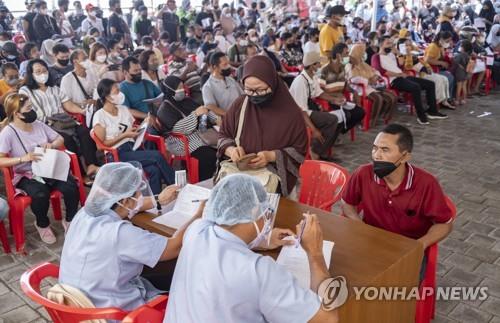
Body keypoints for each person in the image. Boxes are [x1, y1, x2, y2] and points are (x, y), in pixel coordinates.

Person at [165, 174, 339, 323]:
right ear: (256, 213)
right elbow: (328, 318)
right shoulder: (260, 271)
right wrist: (315, 252)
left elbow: (228, 237)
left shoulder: (196, 230)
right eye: (266, 211)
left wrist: (263, 240)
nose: (267, 218)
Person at [59, 162, 201, 310]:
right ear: (124, 200)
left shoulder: (84, 214)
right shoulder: (119, 233)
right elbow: (174, 247)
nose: (140, 195)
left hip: (79, 302)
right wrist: (199, 215)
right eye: (138, 192)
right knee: (184, 278)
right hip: (112, 311)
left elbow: (128, 205)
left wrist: (158, 200)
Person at [341, 124, 454, 280]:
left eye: (385, 150)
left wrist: (419, 245)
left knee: (393, 295)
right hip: (370, 243)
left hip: (406, 250)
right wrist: (360, 226)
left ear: (405, 156)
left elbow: (444, 223)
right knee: (342, 276)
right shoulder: (363, 173)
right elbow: (347, 203)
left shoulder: (426, 183)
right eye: (374, 148)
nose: (376, 155)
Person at [219, 56, 307, 196]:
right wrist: (231, 150)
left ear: (272, 84)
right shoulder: (240, 105)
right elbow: (223, 135)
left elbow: (299, 151)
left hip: (272, 179)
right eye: (249, 90)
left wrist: (271, 156)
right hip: (239, 174)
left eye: (260, 90)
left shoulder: (290, 113)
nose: (254, 95)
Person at [0, 93, 80, 243]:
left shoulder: (38, 124)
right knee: (40, 194)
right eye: (29, 108)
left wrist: (52, 144)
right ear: (17, 114)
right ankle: (42, 224)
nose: (32, 111)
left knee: (70, 185)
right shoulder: (8, 133)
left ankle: (70, 220)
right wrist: (23, 158)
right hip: (25, 174)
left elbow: (60, 139)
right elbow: (1, 159)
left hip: (47, 168)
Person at [19, 59, 100, 181]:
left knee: (84, 132)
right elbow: (25, 111)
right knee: (66, 140)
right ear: (31, 74)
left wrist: (82, 111)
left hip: (63, 121)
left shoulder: (54, 88)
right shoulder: (25, 91)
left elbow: (67, 104)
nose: (42, 74)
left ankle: (91, 165)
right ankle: (80, 173)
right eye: (38, 71)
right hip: (44, 125)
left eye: (44, 70)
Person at [93, 78, 175, 194]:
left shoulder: (123, 110)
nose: (120, 94)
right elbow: (101, 146)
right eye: (116, 91)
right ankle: (176, 188)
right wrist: (124, 135)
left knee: (154, 170)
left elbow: (133, 130)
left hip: (132, 149)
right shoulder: (100, 116)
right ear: (107, 96)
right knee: (157, 156)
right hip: (116, 154)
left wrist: (141, 128)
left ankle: (155, 203)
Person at [155, 76, 218, 180]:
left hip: (200, 134)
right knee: (209, 156)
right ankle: (204, 183)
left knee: (222, 149)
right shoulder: (165, 109)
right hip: (180, 142)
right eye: (178, 88)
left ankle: (216, 179)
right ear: (170, 89)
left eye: (182, 86)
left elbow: (203, 110)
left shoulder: (187, 100)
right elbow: (177, 129)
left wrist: (215, 119)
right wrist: (195, 114)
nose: (182, 90)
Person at [377, 36, 448, 124]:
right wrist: (398, 74)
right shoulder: (376, 57)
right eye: (388, 44)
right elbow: (381, 71)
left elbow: (401, 63)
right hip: (394, 80)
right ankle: (421, 115)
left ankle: (432, 111)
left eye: (391, 43)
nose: (390, 46)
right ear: (380, 45)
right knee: (416, 87)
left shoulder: (391, 54)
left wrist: (398, 53)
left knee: (430, 84)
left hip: (403, 76)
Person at [289, 51, 340, 161]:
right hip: (298, 116)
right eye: (318, 64)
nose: (320, 66)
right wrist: (314, 130)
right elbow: (301, 111)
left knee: (338, 122)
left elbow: (319, 93)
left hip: (307, 111)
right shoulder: (300, 82)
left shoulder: (312, 77)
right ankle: (315, 150)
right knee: (332, 120)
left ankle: (323, 151)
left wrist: (335, 100)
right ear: (312, 65)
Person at [318, 44, 366, 133]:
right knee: (346, 115)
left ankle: (341, 130)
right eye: (346, 53)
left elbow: (344, 85)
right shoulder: (325, 70)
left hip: (341, 100)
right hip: (329, 101)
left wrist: (354, 91)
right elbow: (320, 92)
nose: (348, 56)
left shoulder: (342, 68)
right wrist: (334, 97)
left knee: (360, 112)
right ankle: (335, 131)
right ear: (337, 55)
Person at [346, 44, 397, 127]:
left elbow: (375, 71)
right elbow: (353, 79)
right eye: (362, 52)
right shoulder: (350, 65)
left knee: (392, 96)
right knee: (378, 98)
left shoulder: (363, 63)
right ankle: (369, 121)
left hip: (371, 87)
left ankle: (383, 116)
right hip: (359, 89)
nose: (364, 54)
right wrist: (368, 81)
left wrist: (375, 77)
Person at [202, 52, 244, 117]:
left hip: (242, 112)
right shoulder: (208, 87)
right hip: (229, 118)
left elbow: (242, 95)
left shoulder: (230, 79)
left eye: (228, 63)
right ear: (215, 67)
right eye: (225, 65)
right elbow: (210, 107)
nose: (229, 66)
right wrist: (230, 115)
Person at [424, 31, 456, 103]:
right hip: (430, 70)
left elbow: (443, 57)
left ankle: (446, 99)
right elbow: (427, 60)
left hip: (437, 68)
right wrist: (441, 63)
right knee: (449, 77)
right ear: (441, 39)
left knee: (452, 75)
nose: (449, 42)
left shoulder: (440, 46)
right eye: (447, 40)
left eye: (450, 40)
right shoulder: (433, 46)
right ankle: (444, 100)